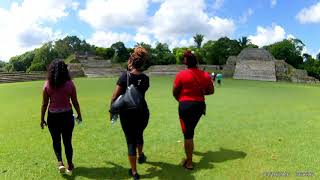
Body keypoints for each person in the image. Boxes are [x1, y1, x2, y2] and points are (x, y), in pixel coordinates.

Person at [110, 47, 150, 180]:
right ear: (143, 62)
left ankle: (134, 172)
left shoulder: (124, 76)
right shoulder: (145, 78)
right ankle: (141, 155)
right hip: (142, 112)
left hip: (127, 114)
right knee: (139, 134)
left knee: (130, 142)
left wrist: (112, 112)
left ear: (131, 60)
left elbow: (114, 97)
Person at [173, 50, 214, 170]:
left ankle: (189, 162)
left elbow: (175, 92)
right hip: (199, 106)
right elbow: (211, 91)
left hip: (185, 105)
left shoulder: (181, 75)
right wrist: (200, 92)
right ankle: (189, 156)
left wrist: (182, 101)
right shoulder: (205, 75)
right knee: (190, 130)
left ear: (186, 62)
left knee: (188, 134)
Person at [40, 60, 82, 174]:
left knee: (56, 141)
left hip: (53, 117)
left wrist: (42, 119)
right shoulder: (70, 84)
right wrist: (79, 114)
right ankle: (70, 165)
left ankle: (60, 163)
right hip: (67, 116)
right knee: (67, 141)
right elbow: (75, 102)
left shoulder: (47, 84)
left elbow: (44, 104)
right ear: (65, 70)